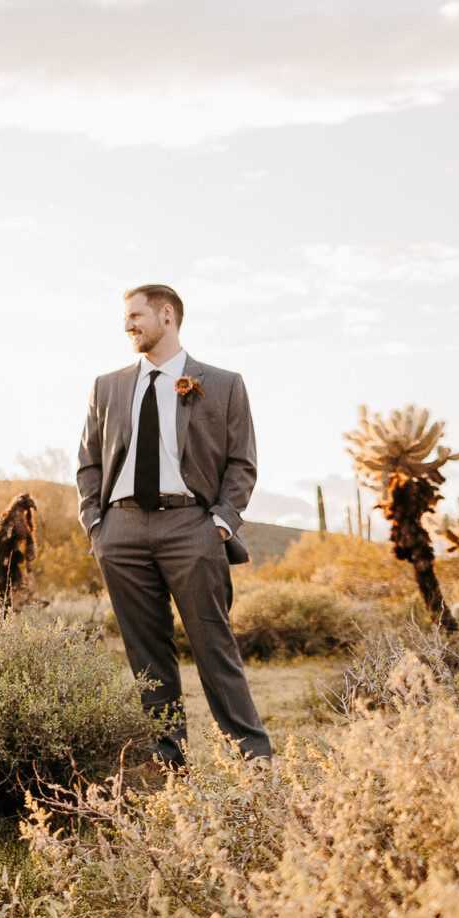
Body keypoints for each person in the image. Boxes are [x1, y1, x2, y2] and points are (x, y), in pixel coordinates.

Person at [75, 285, 273, 765]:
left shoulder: (223, 384)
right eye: (125, 317)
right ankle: (169, 762)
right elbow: (89, 462)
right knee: (147, 656)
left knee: (213, 645)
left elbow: (242, 463)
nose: (128, 325)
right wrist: (96, 526)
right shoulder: (108, 385)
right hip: (120, 533)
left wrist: (220, 525)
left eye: (135, 315)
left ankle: (254, 757)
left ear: (167, 315)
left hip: (191, 528)